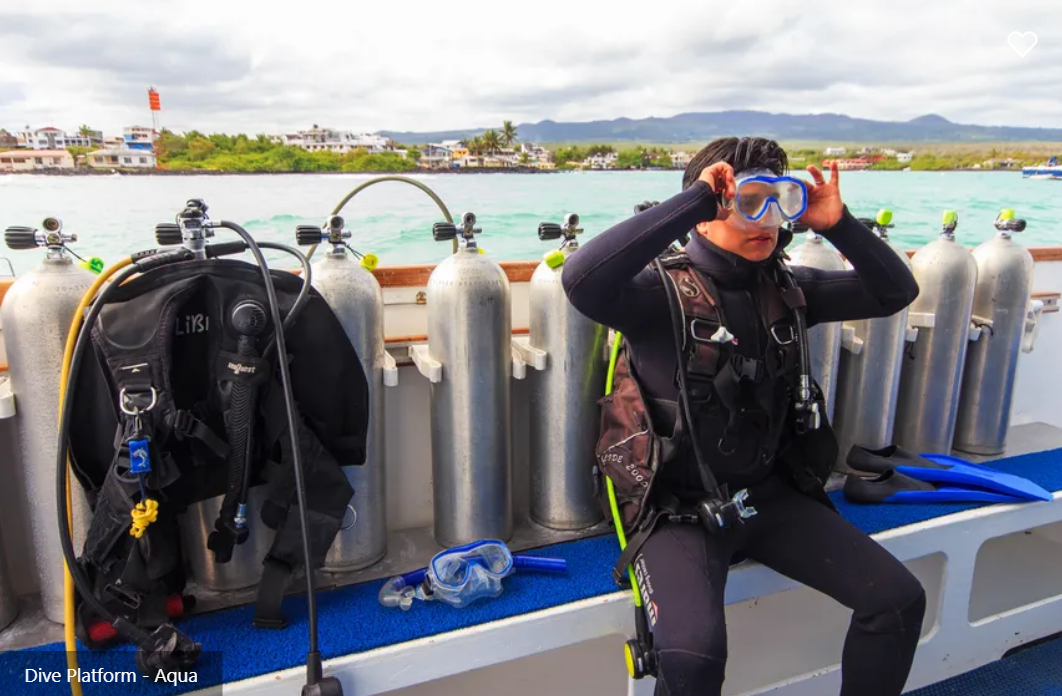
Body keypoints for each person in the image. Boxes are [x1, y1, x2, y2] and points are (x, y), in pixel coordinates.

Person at [561, 137, 926, 696]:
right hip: (677, 512)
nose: (767, 221)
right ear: (706, 215)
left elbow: (895, 292)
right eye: (748, 201)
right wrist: (696, 199)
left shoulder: (791, 288)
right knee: (694, 657)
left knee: (898, 601)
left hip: (768, 496)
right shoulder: (656, 294)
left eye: (781, 202)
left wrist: (837, 223)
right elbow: (582, 278)